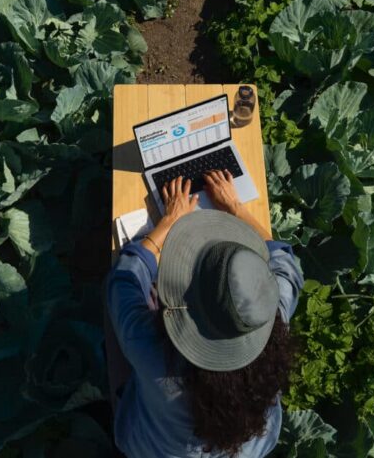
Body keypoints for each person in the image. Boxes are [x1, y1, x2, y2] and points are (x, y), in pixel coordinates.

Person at [106, 170, 304, 457]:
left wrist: (168, 223)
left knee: (135, 301)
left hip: (146, 447)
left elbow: (123, 278)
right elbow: (285, 262)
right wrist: (235, 207)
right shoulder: (268, 318)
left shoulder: (154, 354)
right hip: (248, 451)